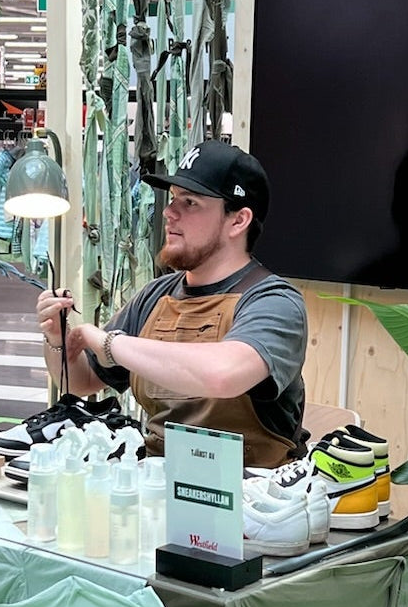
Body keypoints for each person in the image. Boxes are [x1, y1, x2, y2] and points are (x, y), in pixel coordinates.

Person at [35, 141, 308, 468]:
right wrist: (57, 339)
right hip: (152, 479)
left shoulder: (274, 302)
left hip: (251, 492)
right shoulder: (156, 296)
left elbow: (223, 375)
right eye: (173, 198)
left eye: (190, 202)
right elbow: (83, 382)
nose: (169, 212)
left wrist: (109, 343)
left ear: (238, 221)